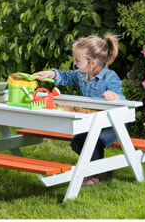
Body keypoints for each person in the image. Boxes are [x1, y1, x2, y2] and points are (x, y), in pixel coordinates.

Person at [33, 34, 126, 185]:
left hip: (110, 126)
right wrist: (52, 73)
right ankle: (102, 168)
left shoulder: (110, 77)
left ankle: (92, 174)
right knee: (77, 143)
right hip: (90, 124)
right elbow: (66, 76)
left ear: (93, 63)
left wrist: (115, 97)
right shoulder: (83, 74)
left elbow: (123, 101)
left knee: (90, 141)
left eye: (78, 60)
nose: (75, 63)